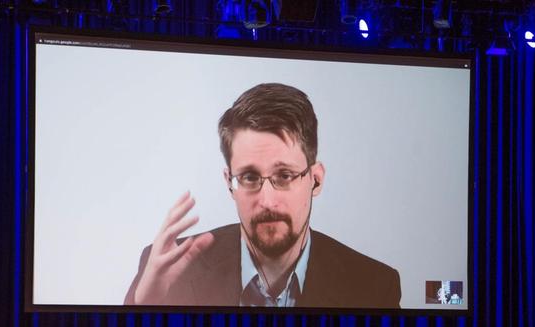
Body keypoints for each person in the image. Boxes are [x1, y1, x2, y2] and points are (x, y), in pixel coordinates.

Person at [124, 82, 401, 309]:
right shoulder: (172, 271)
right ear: (229, 183)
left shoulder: (374, 285)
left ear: (315, 180)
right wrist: (145, 305)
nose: (267, 201)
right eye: (249, 177)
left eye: (284, 176)